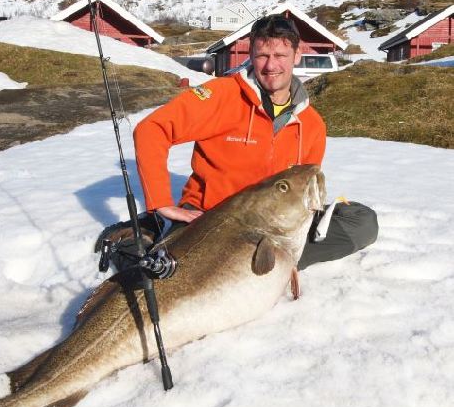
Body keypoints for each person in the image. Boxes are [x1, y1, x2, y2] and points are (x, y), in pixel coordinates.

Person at [98, 14, 377, 271]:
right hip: (211, 220)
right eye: (262, 55)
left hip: (273, 227)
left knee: (363, 223)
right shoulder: (221, 95)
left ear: (297, 55)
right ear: (251, 55)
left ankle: (259, 264)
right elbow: (152, 129)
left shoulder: (312, 124)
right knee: (163, 273)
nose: (271, 66)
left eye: (280, 55)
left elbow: (304, 185)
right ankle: (148, 236)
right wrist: (160, 202)